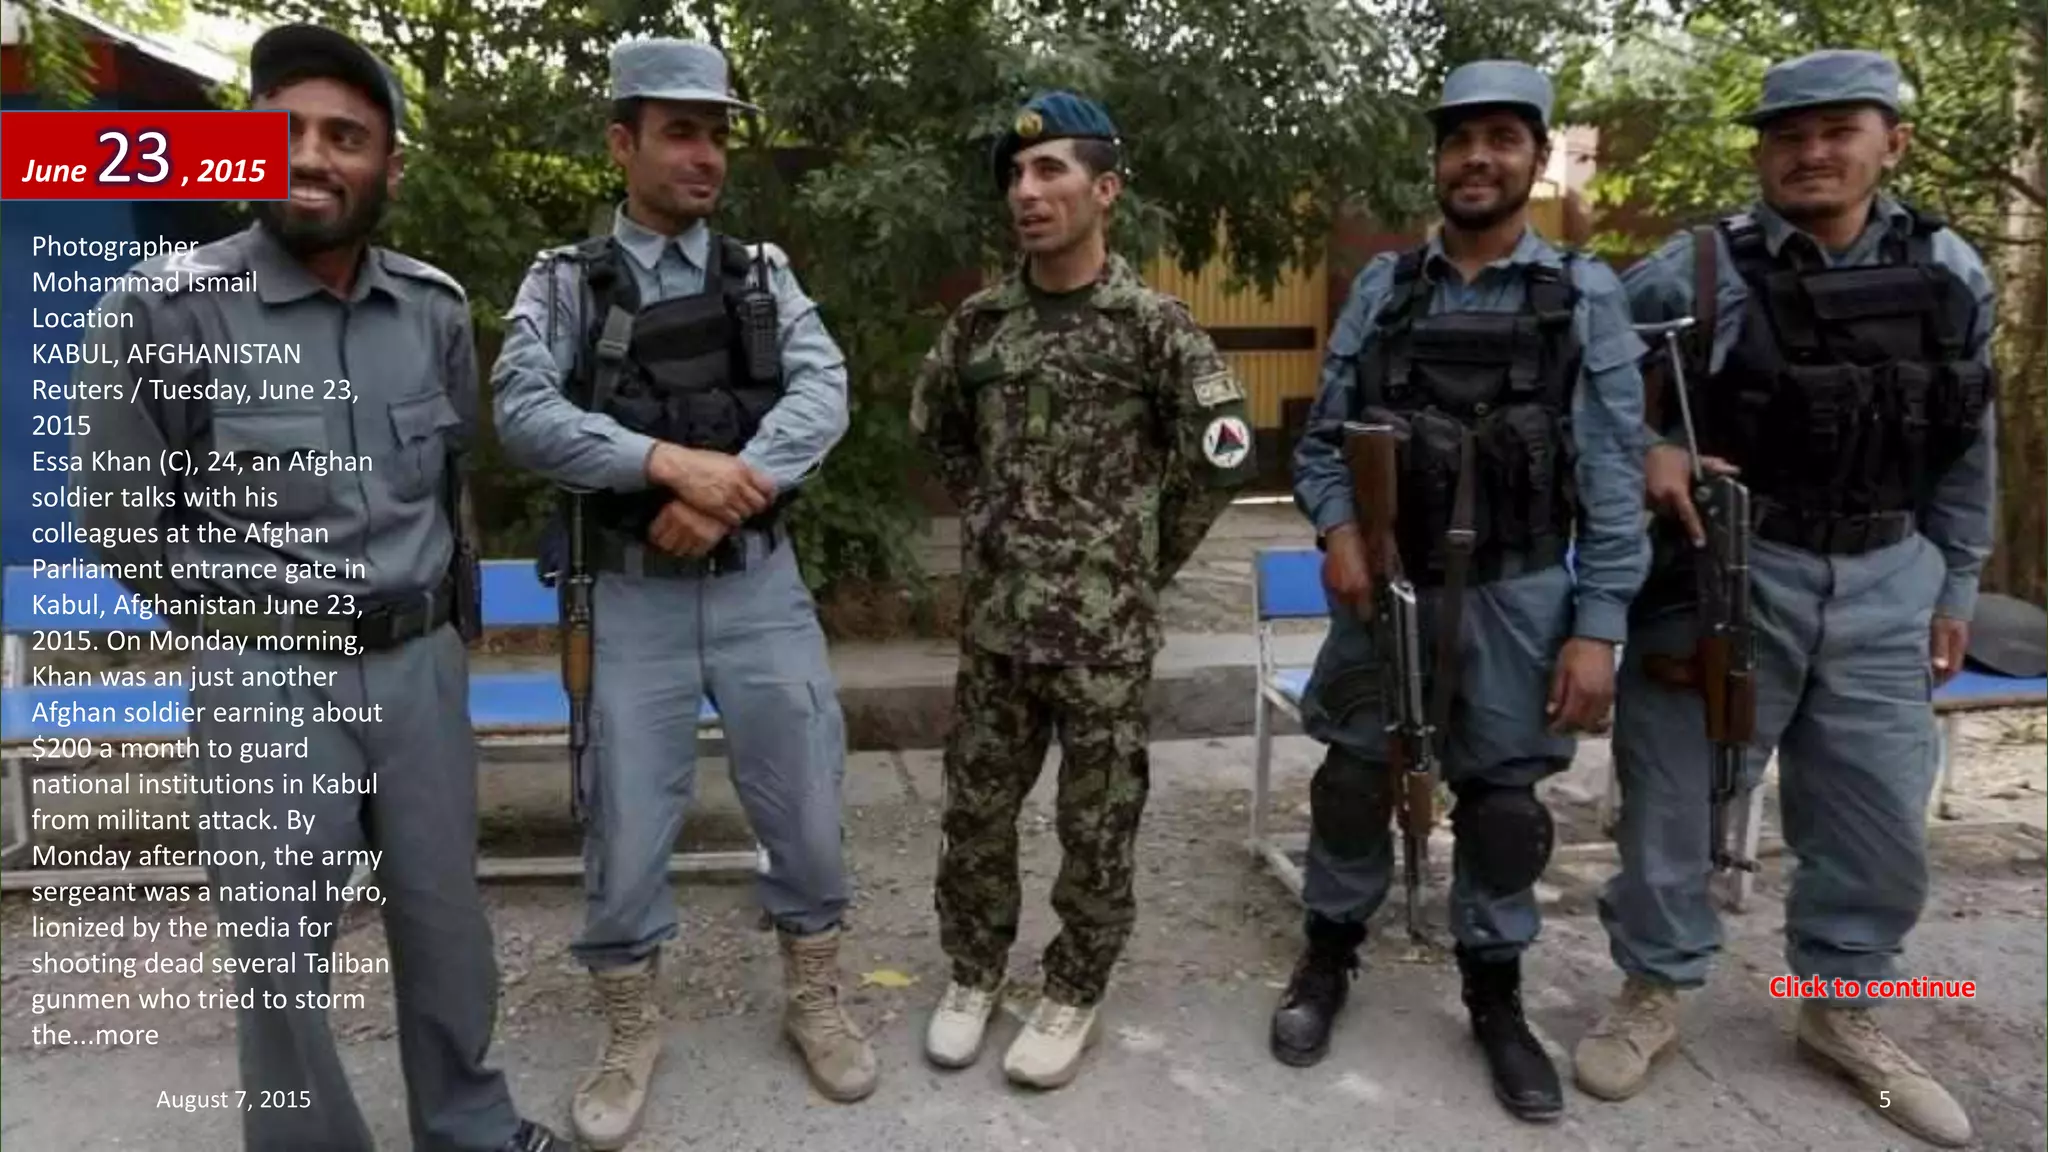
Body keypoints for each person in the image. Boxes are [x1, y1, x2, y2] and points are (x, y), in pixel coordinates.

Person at [67, 23, 558, 1152]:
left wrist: (440, 635)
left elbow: (450, 480)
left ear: (388, 164)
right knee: (278, 954)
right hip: (269, 683)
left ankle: (469, 1128)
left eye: (346, 135)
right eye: (283, 130)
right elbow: (123, 525)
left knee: (447, 929)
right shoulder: (161, 312)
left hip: (419, 669)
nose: (311, 156)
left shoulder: (433, 310)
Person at [1576, 49, 1996, 1149]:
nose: (1809, 153)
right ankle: (1653, 987)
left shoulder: (1950, 269)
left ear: (1888, 143)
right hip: (1729, 573)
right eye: (1784, 136)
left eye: (1835, 131)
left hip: (1887, 579)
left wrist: (1954, 581)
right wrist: (1654, 447)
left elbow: (1964, 439)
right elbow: (1582, 377)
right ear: (1760, 152)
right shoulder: (1695, 269)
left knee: (1875, 820)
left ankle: (1843, 1007)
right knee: (1670, 804)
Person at [489, 36, 872, 1147]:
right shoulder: (564, 282)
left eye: (716, 133)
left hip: (757, 586)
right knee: (623, 818)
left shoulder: (763, 274)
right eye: (680, 131)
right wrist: (664, 466)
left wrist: (721, 497)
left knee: (804, 800)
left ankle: (815, 993)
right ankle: (627, 1022)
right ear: (623, 143)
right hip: (630, 598)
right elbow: (523, 415)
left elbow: (824, 393)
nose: (705, 154)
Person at [1270, 60, 1649, 1122]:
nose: (1475, 158)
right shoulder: (1385, 292)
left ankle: (1494, 994)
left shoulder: (1581, 296)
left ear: (1532, 159)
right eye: (1456, 140)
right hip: (1386, 587)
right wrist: (1339, 532)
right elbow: (1317, 446)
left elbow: (1613, 477)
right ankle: (1326, 958)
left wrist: (1598, 628)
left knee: (1499, 805)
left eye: (1499, 138)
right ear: (1435, 160)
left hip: (1519, 592)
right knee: (1350, 781)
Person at [910, 90, 1256, 1089]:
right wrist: (988, 519)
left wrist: (1145, 559)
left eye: (1049, 170)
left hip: (1104, 641)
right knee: (974, 817)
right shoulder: (980, 323)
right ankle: (973, 974)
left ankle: (1073, 989)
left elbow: (1224, 449)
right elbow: (937, 428)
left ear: (1102, 190)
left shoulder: (1148, 325)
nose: (1027, 190)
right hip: (998, 631)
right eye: (1015, 175)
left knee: (1094, 827)